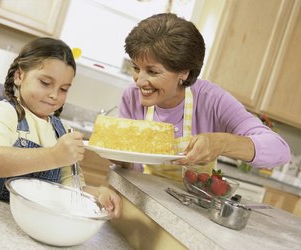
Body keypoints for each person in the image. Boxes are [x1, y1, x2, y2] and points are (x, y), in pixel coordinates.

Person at [0, 37, 122, 249]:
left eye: (63, 89)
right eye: (45, 83)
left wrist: (97, 193)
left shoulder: (60, 130)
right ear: (19, 75)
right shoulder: (6, 113)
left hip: (30, 234)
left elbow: (69, 188)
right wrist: (54, 156)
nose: (54, 95)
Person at [118, 13, 291, 180]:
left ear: (184, 72)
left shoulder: (211, 100)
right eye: (136, 68)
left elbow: (280, 150)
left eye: (152, 72)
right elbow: (127, 166)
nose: (139, 81)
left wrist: (221, 143)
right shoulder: (132, 97)